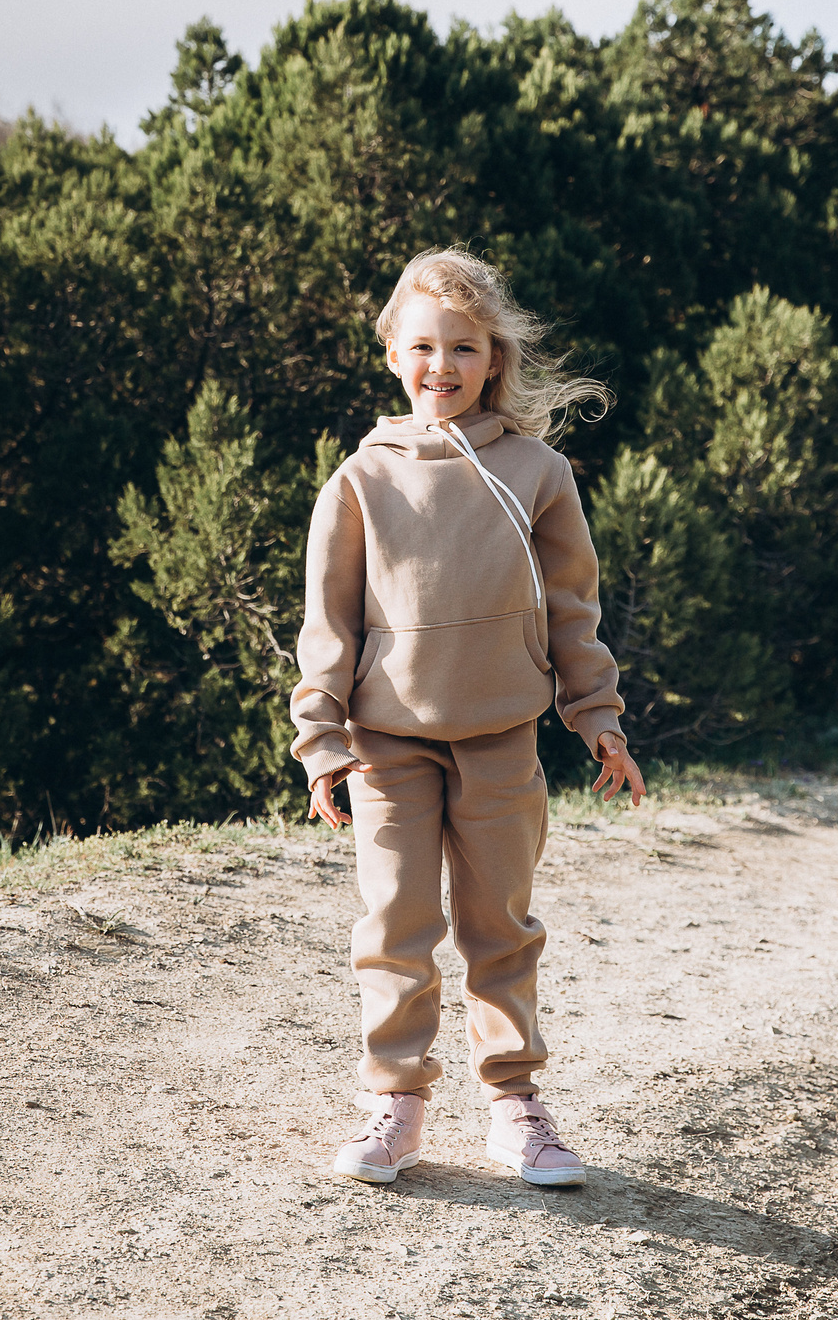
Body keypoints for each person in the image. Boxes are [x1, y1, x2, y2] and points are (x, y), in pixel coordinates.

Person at [292, 246, 645, 1188]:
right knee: (396, 922)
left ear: (494, 359)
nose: (440, 366)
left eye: (462, 347)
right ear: (392, 356)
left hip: (501, 735)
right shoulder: (359, 480)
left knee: (500, 927)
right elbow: (326, 623)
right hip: (385, 742)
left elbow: (573, 610)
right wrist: (321, 740)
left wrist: (597, 717)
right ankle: (395, 1107)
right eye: (423, 347)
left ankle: (515, 1111)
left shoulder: (539, 472)